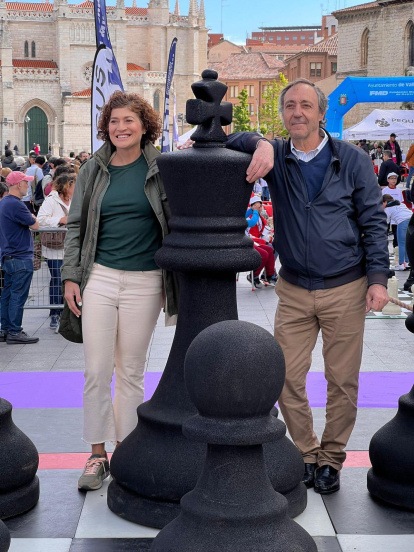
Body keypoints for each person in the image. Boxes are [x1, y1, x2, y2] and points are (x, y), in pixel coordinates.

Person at [227, 78, 390, 495]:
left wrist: (377, 280)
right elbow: (233, 134)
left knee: (342, 381)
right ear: (283, 114)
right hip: (295, 289)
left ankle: (331, 460)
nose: (297, 112)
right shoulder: (278, 155)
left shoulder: (351, 160)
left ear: (321, 113)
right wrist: (263, 141)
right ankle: (305, 452)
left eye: (305, 105)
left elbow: (373, 223)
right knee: (284, 376)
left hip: (346, 287)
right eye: (289, 106)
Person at [61, 90, 178, 491]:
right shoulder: (94, 168)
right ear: (105, 127)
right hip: (100, 276)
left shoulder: (161, 165)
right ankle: (97, 456)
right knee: (96, 370)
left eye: (128, 120)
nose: (120, 128)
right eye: (113, 121)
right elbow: (75, 225)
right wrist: (71, 275)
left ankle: (127, 452)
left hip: (146, 281)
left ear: (144, 125)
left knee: (131, 371)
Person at [0, 171, 40, 344]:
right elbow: (36, 225)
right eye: (26, 182)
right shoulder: (16, 204)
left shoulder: (5, 203)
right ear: (18, 184)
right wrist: (32, 216)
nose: (28, 185)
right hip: (20, 256)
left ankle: (6, 329)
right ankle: (15, 331)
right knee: (17, 295)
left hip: (9, 255)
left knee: (8, 294)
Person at [38, 173, 75, 329]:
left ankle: (68, 312)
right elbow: (40, 220)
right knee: (57, 279)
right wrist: (60, 220)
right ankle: (55, 312)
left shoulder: (74, 200)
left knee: (70, 279)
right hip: (55, 248)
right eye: (73, 186)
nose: (76, 188)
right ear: (66, 187)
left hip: (71, 248)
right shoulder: (51, 201)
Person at [245, 196, 276, 288]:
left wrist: (253, 208)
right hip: (245, 242)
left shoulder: (258, 216)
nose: (260, 207)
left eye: (260, 205)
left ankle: (270, 275)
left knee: (270, 249)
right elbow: (252, 222)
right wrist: (254, 210)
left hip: (250, 240)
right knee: (265, 253)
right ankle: (254, 275)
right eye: (258, 205)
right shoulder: (253, 216)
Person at [383, 194, 412, 270]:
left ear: (385, 202)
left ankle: (401, 264)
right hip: (412, 221)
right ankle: (407, 263)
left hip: (402, 222)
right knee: (407, 243)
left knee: (401, 244)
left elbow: (386, 223)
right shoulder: (401, 204)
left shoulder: (387, 209)